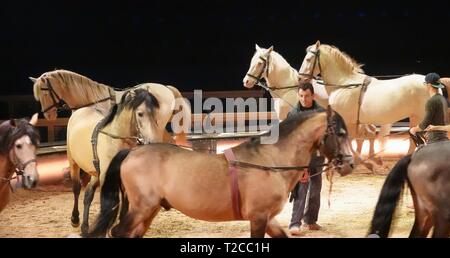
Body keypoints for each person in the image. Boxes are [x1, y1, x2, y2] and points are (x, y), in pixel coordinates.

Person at [288, 82, 325, 236]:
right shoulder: (293, 114)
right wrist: (301, 166)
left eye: (307, 96)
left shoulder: (321, 112)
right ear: (298, 95)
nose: (304, 99)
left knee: (316, 190)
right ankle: (294, 223)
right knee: (301, 190)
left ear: (313, 95)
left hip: (317, 157)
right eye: (301, 96)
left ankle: (310, 220)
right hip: (300, 158)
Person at [409, 72, 449, 145]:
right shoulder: (443, 99)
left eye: (425, 83)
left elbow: (424, 124)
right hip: (444, 135)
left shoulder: (431, 101)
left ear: (429, 85)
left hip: (434, 138)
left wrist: (413, 130)